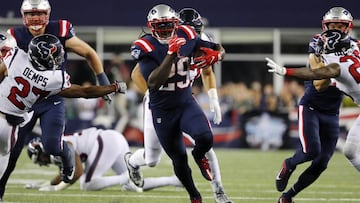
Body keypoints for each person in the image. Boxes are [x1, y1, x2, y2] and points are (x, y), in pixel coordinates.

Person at [0, 0, 112, 200]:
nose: (35, 19)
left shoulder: (60, 30)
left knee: (52, 145)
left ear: (48, 14)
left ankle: (65, 152)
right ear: (23, 15)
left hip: (54, 96)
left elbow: (88, 52)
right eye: (31, 14)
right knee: (12, 152)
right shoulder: (14, 37)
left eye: (40, 13)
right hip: (27, 102)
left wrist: (102, 78)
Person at [127, 8, 232, 203]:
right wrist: (152, 91)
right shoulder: (147, 46)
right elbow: (139, 77)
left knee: (206, 143)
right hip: (158, 104)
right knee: (152, 160)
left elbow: (215, 57)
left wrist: (214, 97)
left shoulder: (192, 37)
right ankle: (132, 162)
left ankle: (218, 191)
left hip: (184, 99)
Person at [266, 7, 359, 203]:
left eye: (340, 26)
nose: (335, 29)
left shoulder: (354, 46)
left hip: (333, 111)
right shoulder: (318, 42)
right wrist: (334, 77)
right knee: (311, 151)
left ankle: (288, 196)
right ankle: (289, 164)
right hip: (312, 106)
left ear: (348, 28)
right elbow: (318, 82)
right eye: (332, 25)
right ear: (325, 26)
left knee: (322, 162)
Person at [24, 127, 182, 192]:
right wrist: (43, 185)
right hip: (112, 139)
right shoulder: (57, 148)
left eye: (39, 158)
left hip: (105, 141)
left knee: (87, 184)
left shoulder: (62, 145)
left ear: (41, 149)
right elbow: (65, 173)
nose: (41, 162)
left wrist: (55, 189)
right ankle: (174, 180)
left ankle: (124, 177)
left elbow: (77, 172)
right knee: (134, 185)